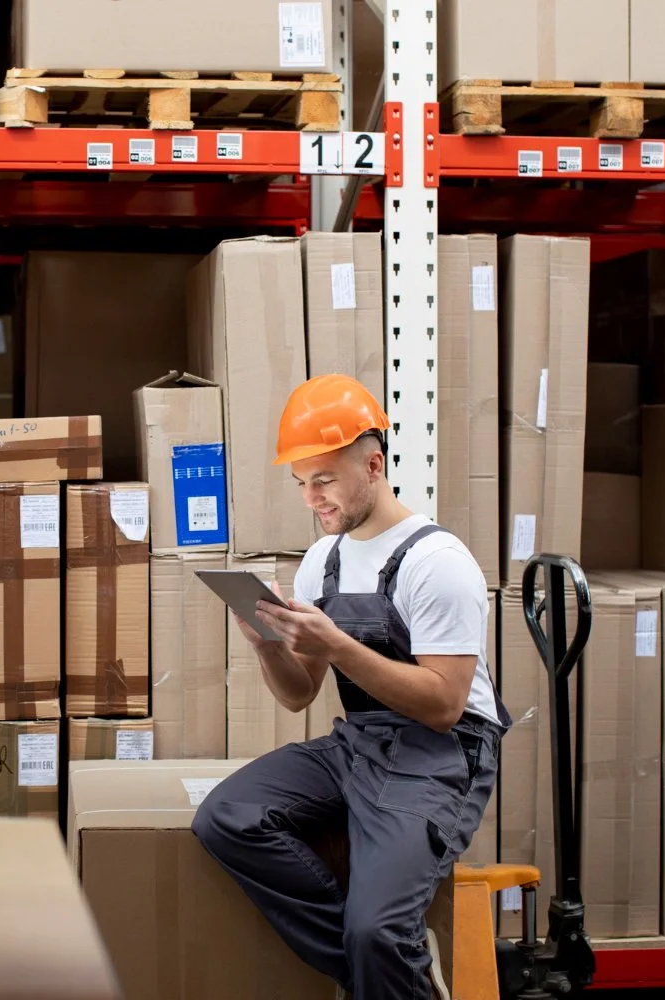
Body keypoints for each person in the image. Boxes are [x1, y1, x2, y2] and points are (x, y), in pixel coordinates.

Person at [192, 374, 509, 1000]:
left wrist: (338, 644)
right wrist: (267, 646)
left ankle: (383, 954)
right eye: (302, 483)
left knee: (376, 930)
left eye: (325, 479)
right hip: (360, 743)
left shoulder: (437, 563)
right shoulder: (323, 561)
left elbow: (445, 704)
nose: (313, 498)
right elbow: (298, 694)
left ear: (373, 463)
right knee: (226, 818)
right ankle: (392, 970)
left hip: (440, 755)